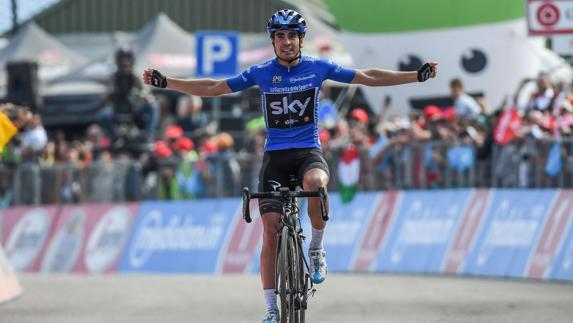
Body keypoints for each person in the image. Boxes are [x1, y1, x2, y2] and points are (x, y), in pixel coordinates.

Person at [143, 9, 437, 323]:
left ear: (301, 39)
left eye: (292, 35)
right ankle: (271, 306)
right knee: (270, 231)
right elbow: (215, 87)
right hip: (276, 158)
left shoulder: (317, 68)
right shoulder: (261, 72)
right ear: (273, 41)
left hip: (308, 151)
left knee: (316, 184)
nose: (286, 42)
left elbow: (367, 77)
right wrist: (167, 81)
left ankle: (316, 248)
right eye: (280, 36)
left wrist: (414, 76)